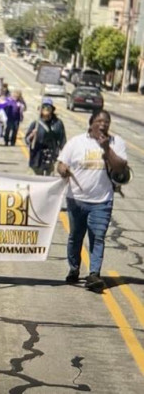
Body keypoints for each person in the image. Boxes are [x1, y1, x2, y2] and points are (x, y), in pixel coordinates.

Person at [57, 110, 128, 292]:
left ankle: (94, 274)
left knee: (98, 237)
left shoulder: (116, 143)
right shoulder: (76, 142)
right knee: (75, 237)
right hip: (76, 200)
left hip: (102, 200)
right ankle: (74, 268)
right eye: (99, 121)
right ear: (91, 124)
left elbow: (120, 167)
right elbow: (60, 164)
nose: (103, 125)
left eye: (107, 122)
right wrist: (63, 169)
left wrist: (106, 149)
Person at [25, 97, 66, 175]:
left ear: (52, 109)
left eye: (48, 107)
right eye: (44, 107)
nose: (46, 109)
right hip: (37, 156)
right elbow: (27, 140)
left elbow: (62, 140)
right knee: (36, 179)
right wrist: (32, 135)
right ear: (40, 109)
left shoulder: (58, 123)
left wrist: (64, 158)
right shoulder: (36, 123)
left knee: (49, 179)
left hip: (51, 155)